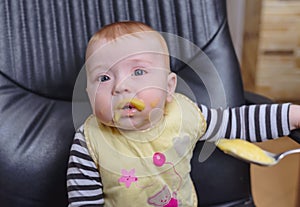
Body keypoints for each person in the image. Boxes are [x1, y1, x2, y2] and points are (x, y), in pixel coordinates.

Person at [67, 21, 300, 207]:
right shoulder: (89, 141)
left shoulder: (184, 114)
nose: (120, 87)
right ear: (89, 95)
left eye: (138, 71)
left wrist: (293, 115)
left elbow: (238, 122)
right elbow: (84, 201)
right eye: (104, 78)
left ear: (169, 87)